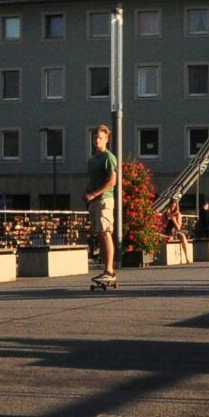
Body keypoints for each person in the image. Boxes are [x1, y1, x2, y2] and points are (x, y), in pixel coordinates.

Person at [83, 123, 121, 291]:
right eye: (95, 138)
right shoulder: (92, 160)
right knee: (100, 234)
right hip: (94, 201)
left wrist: (94, 194)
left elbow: (112, 181)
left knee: (106, 232)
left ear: (106, 139)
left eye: (100, 138)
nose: (96, 140)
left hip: (104, 199)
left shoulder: (109, 157)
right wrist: (87, 193)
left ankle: (110, 270)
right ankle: (106, 269)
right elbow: (92, 180)